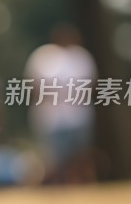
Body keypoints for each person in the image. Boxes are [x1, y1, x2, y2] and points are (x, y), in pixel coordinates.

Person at [24, 24, 97, 183]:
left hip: (78, 116)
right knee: (53, 160)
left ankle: (82, 185)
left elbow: (90, 86)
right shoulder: (44, 57)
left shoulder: (82, 57)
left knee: (79, 157)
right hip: (52, 118)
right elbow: (35, 87)